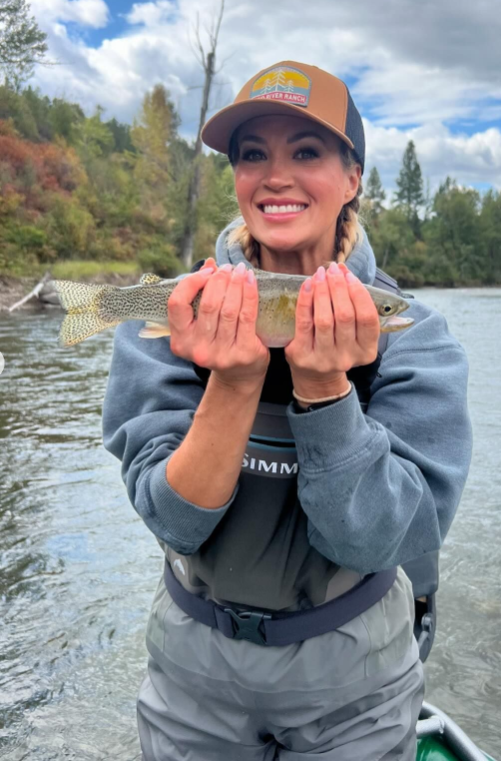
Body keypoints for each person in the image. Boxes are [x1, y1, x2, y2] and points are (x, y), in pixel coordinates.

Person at [102, 61, 472, 761]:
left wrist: (326, 389)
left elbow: (391, 540)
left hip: (355, 678)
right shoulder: (178, 311)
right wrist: (234, 383)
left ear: (353, 176)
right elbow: (173, 522)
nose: (275, 176)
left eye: (305, 152)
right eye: (251, 154)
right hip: (193, 668)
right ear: (236, 176)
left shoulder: (416, 335)